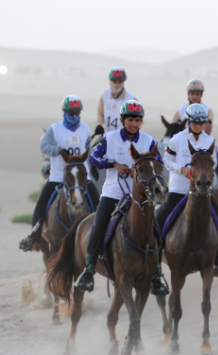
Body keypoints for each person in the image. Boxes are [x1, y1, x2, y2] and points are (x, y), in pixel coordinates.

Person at [75, 100, 169, 295]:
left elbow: (159, 165)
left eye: (137, 120)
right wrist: (113, 163)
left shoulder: (149, 141)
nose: (133, 124)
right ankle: (89, 270)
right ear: (122, 120)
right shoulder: (109, 138)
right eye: (130, 120)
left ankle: (157, 274)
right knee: (99, 224)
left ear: (141, 121)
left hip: (142, 195)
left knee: (156, 229)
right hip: (113, 193)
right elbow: (93, 158)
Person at [156, 103, 218, 280]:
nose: (198, 126)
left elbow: (212, 164)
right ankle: (155, 264)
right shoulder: (177, 139)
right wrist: (182, 170)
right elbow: (165, 160)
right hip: (178, 190)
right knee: (159, 221)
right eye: (195, 122)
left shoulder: (209, 142)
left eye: (201, 122)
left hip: (203, 193)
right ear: (188, 122)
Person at [20, 96, 99, 251]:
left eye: (77, 113)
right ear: (64, 112)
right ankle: (34, 235)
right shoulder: (54, 129)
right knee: (41, 204)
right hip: (58, 176)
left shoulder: (85, 129)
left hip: (82, 177)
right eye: (71, 112)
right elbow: (44, 146)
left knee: (97, 202)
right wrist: (57, 151)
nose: (74, 116)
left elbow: (88, 149)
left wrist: (92, 164)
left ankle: (100, 236)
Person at [171, 79, 218, 204]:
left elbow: (207, 129)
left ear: (201, 95)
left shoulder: (208, 110)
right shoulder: (180, 111)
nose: (195, 96)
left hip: (205, 147)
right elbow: (173, 129)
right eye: (192, 93)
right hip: (185, 146)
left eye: (197, 94)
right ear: (188, 94)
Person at [95, 67, 136, 137]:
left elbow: (138, 119)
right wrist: (99, 125)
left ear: (123, 81)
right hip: (108, 137)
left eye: (119, 81)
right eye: (114, 81)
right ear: (110, 81)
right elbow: (100, 114)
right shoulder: (105, 95)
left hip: (125, 138)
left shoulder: (131, 100)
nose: (117, 84)